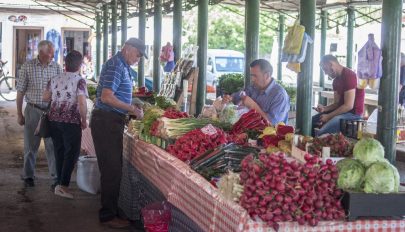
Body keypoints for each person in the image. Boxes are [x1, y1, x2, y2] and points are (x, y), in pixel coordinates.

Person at [90, 38, 145, 229]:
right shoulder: (115, 65)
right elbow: (107, 96)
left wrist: (133, 103)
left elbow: (117, 93)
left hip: (110, 120)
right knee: (111, 170)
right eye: (137, 55)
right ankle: (107, 216)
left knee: (112, 168)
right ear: (128, 49)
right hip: (106, 121)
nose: (138, 59)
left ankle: (111, 210)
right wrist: (130, 108)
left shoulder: (121, 65)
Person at [16, 40, 62, 188]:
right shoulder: (27, 66)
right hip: (33, 110)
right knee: (31, 145)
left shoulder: (56, 67)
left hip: (50, 111)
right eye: (50, 53)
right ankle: (29, 176)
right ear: (41, 53)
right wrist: (19, 114)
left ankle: (55, 178)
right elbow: (20, 91)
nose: (53, 56)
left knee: (52, 145)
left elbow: (60, 91)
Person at [43, 50, 88, 199]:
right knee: (72, 152)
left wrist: (58, 96)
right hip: (71, 121)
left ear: (65, 64)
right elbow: (81, 103)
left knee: (59, 150)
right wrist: (83, 119)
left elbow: (45, 97)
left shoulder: (54, 78)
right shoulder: (80, 80)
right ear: (79, 65)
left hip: (54, 120)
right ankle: (63, 186)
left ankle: (59, 183)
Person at [224, 59, 290, 125]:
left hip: (269, 134)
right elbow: (238, 96)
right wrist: (230, 98)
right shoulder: (253, 87)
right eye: (251, 76)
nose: (252, 79)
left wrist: (253, 106)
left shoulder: (280, 95)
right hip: (248, 130)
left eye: (255, 76)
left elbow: (272, 124)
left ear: (267, 75)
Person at [312, 55, 365, 136]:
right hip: (342, 113)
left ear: (331, 64)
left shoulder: (349, 75)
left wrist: (328, 116)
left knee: (321, 132)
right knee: (312, 121)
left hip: (354, 115)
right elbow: (337, 104)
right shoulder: (335, 81)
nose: (326, 73)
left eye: (325, 69)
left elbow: (348, 106)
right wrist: (324, 108)